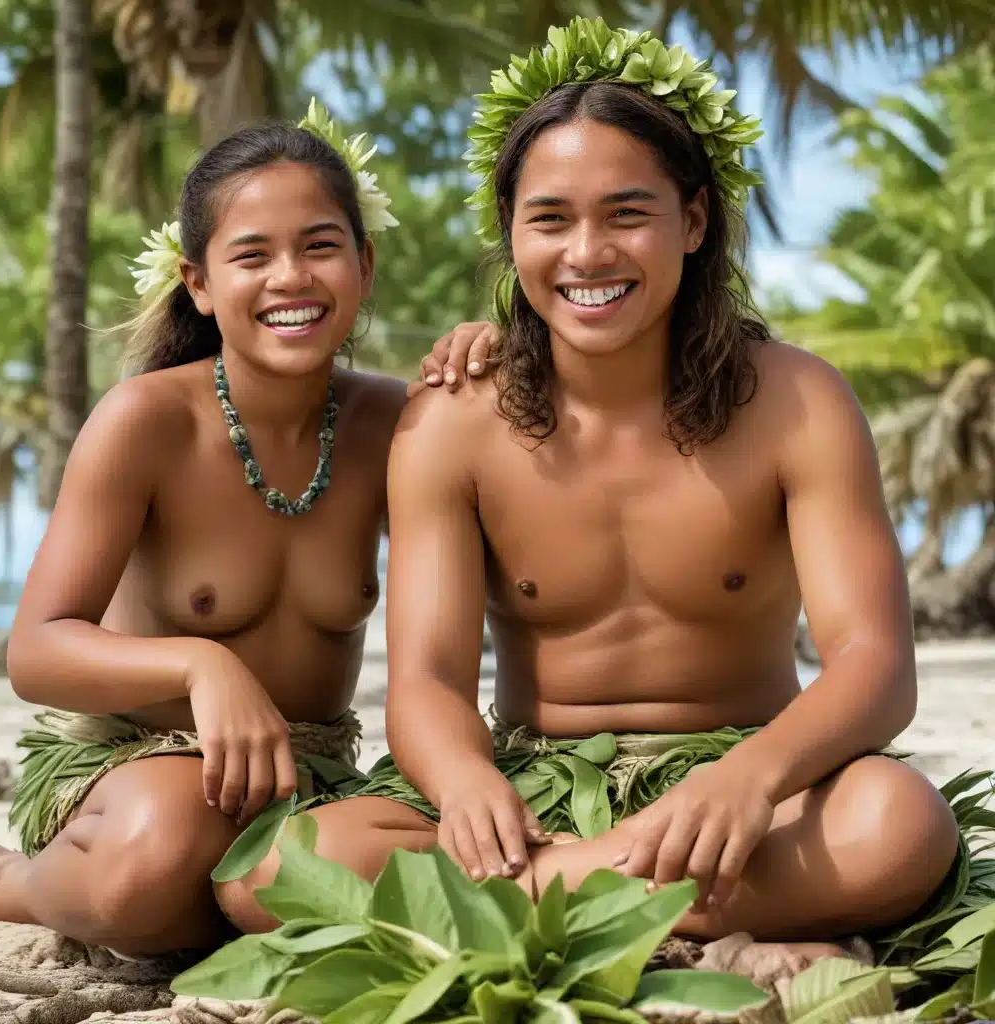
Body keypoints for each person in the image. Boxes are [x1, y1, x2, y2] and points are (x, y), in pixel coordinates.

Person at [225, 19, 994, 970]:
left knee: (898, 824)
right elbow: (425, 679)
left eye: (627, 214)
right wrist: (466, 784)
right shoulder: (455, 420)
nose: (587, 254)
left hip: (750, 782)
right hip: (534, 783)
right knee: (269, 870)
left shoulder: (797, 401)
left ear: (695, 221)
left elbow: (874, 663)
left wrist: (749, 779)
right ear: (511, 232)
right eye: (549, 219)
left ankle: (559, 901)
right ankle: (679, 910)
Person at [0, 99, 496, 958]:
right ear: (201, 284)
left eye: (320, 245)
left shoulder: (396, 425)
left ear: (364, 263)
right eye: (251, 255)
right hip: (135, 763)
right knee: (156, 858)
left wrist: (499, 354)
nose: (290, 276)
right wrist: (200, 662)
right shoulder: (146, 422)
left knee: (265, 881)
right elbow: (35, 652)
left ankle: (222, 901)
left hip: (312, 772)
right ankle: (17, 887)